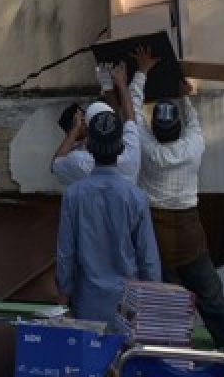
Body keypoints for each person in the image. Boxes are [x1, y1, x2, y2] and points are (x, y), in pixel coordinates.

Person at [131, 45, 224, 364]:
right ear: (179, 128)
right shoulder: (193, 147)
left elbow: (132, 112)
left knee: (168, 303)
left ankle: (174, 360)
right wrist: (185, 96)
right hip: (189, 235)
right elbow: (195, 123)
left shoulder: (147, 150)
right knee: (212, 298)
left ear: (154, 128)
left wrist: (141, 71)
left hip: (158, 238)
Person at [56, 110, 161, 326]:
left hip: (86, 304)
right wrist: (152, 303)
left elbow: (66, 254)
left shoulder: (73, 195)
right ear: (121, 148)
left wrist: (64, 296)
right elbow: (148, 260)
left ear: (89, 147)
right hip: (128, 307)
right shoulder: (136, 198)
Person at [51, 62, 141, 186]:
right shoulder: (130, 155)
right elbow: (129, 119)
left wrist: (75, 129)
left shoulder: (80, 162)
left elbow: (55, 164)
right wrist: (120, 84)